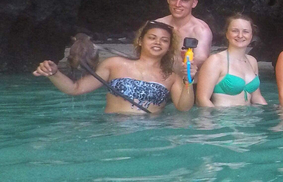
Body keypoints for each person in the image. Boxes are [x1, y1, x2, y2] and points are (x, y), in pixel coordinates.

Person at [33, 21, 194, 114]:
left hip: (152, 136)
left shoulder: (171, 76)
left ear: (169, 47)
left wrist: (188, 80)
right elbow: (75, 88)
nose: (158, 42)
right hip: (113, 131)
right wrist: (54, 73)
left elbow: (184, 108)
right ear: (140, 41)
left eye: (164, 40)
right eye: (152, 38)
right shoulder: (114, 64)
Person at [195, 14, 267, 107]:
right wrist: (212, 121)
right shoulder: (215, 61)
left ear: (251, 35)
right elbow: (202, 99)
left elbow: (256, 97)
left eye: (245, 31)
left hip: (249, 119)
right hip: (223, 119)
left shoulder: (252, 61)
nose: (240, 35)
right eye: (235, 31)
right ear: (227, 34)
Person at [155, 0, 214, 75]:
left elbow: (202, 58)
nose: (178, 4)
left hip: (188, 83)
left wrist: (191, 64)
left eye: (184, 0)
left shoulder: (200, 30)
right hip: (161, 82)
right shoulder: (157, 25)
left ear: (194, 3)